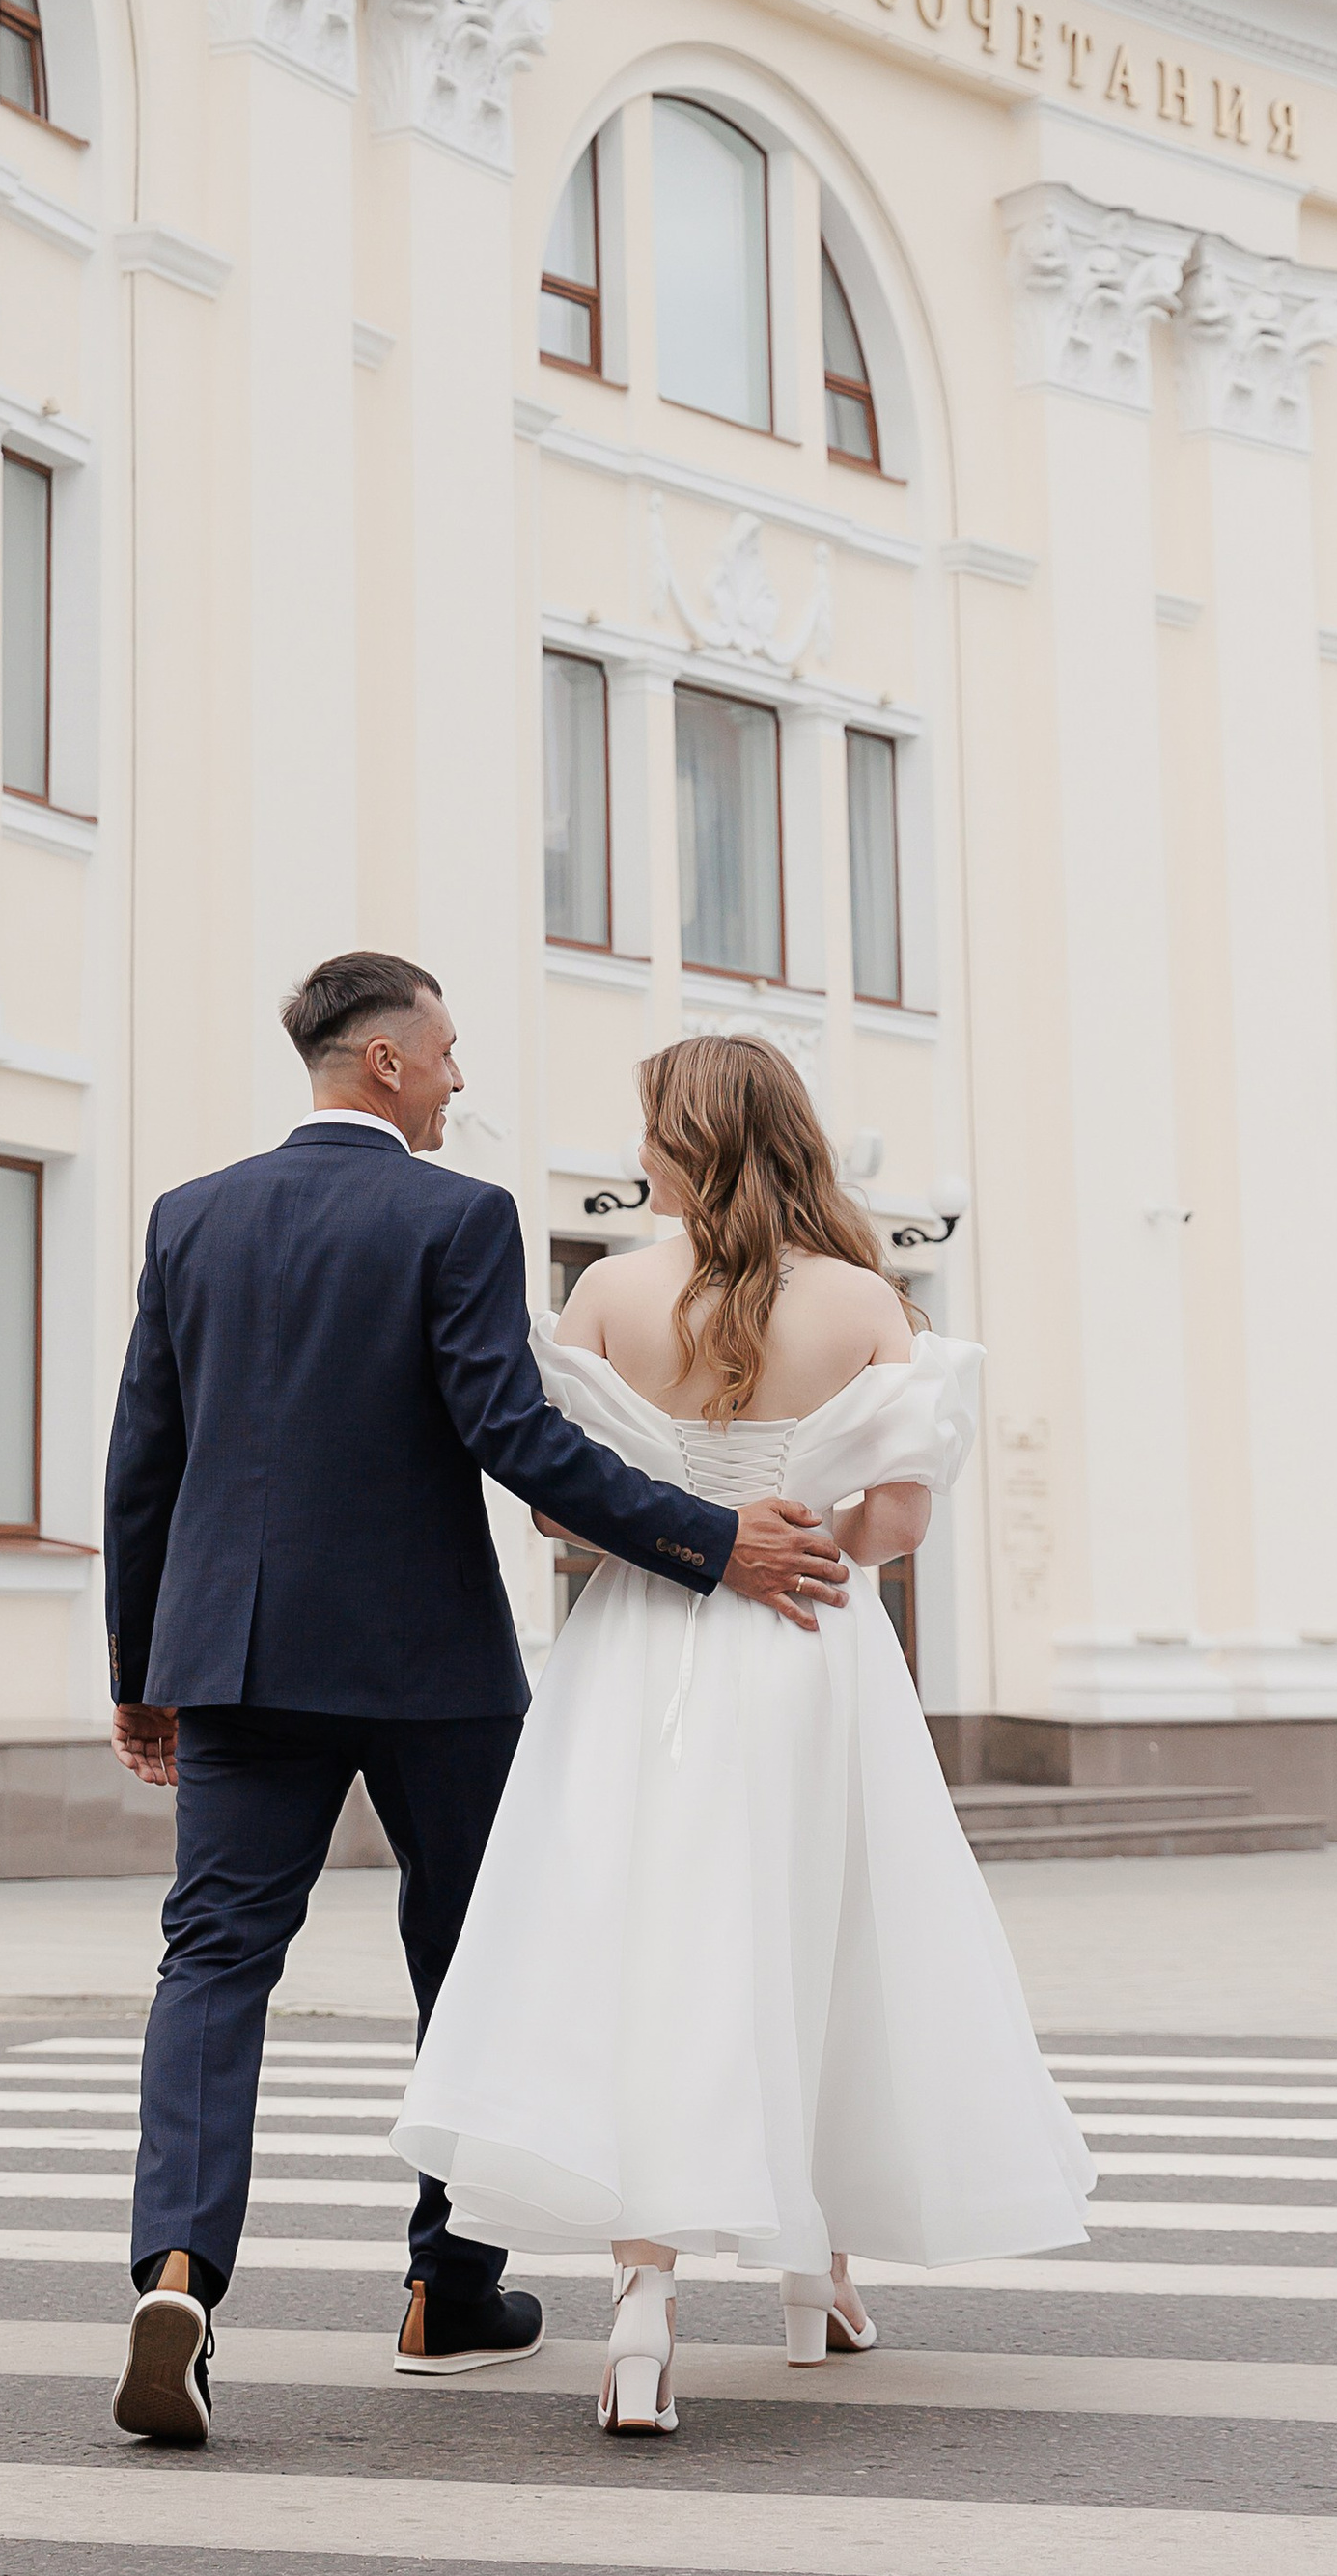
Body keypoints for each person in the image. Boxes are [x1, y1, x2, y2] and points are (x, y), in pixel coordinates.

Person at [102, 952, 854, 2448]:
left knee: (213, 1963)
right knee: (476, 1952)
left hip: (236, 1660)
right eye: (446, 1053)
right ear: (385, 1063)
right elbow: (516, 1436)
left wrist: (143, 1673)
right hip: (428, 1667)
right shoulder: (455, 1217)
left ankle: (179, 2275)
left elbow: (146, 1464)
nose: (459, 1079)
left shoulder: (194, 1216)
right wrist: (713, 1541)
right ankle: (449, 2291)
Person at [394, 1030, 1095, 2432]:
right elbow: (895, 1524)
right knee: (821, 1936)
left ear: (692, 1140)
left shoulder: (606, 1291)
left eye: (649, 1124)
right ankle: (812, 2272)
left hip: (641, 1654)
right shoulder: (862, 1302)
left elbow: (554, 1510)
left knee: (647, 1945)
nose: (634, 1150)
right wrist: (804, 1523)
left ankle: (643, 2304)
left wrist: (686, 1526)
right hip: (811, 1647)